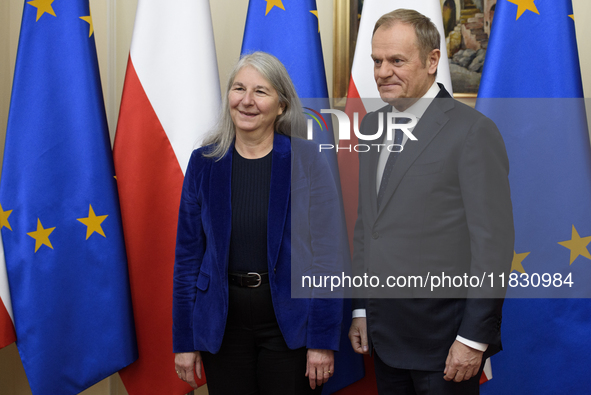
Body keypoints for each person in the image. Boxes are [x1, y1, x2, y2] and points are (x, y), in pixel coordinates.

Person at [347, 9, 514, 395]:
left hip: (445, 345)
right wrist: (361, 309)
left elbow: (492, 245)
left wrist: (473, 339)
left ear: (433, 61)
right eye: (377, 61)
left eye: (397, 60)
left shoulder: (473, 132)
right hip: (384, 338)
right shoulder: (373, 128)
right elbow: (368, 226)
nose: (383, 72)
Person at [172, 51, 344, 395]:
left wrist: (322, 340)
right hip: (222, 326)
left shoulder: (307, 160)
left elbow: (330, 257)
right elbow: (187, 259)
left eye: (261, 92)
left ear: (281, 105)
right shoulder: (204, 163)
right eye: (239, 89)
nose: (247, 101)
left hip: (290, 326)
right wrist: (185, 340)